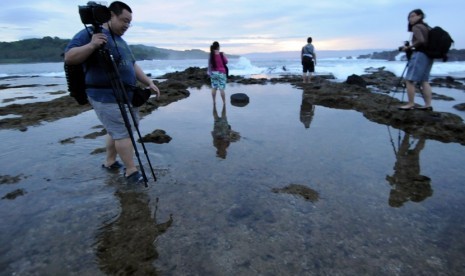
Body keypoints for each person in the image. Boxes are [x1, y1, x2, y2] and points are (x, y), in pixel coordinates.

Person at [64, 1, 160, 184]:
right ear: (111, 15)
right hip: (105, 96)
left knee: (117, 130)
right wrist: (92, 45)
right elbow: (69, 57)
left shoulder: (121, 41)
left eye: (129, 22)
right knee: (125, 133)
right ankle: (131, 172)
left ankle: (109, 162)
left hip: (126, 95)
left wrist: (148, 81)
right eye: (124, 20)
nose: (126, 25)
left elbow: (132, 65)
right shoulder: (90, 34)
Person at [398, 9, 433, 111]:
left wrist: (408, 48)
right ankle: (427, 105)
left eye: (413, 16)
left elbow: (421, 41)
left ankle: (410, 104)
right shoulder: (426, 27)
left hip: (420, 55)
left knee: (409, 80)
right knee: (424, 81)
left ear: (420, 16)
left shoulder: (416, 27)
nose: (410, 19)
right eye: (409, 17)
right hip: (429, 55)